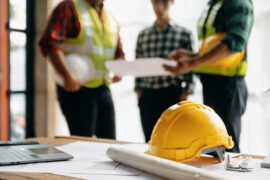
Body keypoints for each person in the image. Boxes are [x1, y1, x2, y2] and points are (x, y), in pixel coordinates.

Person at [164, 0, 254, 152]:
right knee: (214, 147)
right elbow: (214, 45)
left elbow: (235, 42)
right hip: (211, 84)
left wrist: (193, 62)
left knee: (227, 148)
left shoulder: (239, 3)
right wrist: (192, 56)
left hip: (228, 87)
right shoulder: (214, 4)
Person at [39, 0, 125, 139]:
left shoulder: (110, 18)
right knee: (83, 144)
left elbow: (118, 51)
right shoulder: (69, 8)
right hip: (77, 90)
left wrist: (119, 67)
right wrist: (67, 76)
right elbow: (51, 43)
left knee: (109, 143)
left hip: (103, 87)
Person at [135, 0, 194, 142]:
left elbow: (191, 68)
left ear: (172, 2)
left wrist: (187, 91)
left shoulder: (184, 34)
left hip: (173, 95)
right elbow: (138, 67)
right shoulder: (143, 35)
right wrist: (139, 92)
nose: (159, 7)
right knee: (150, 142)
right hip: (148, 95)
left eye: (164, 2)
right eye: (155, 2)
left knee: (174, 141)